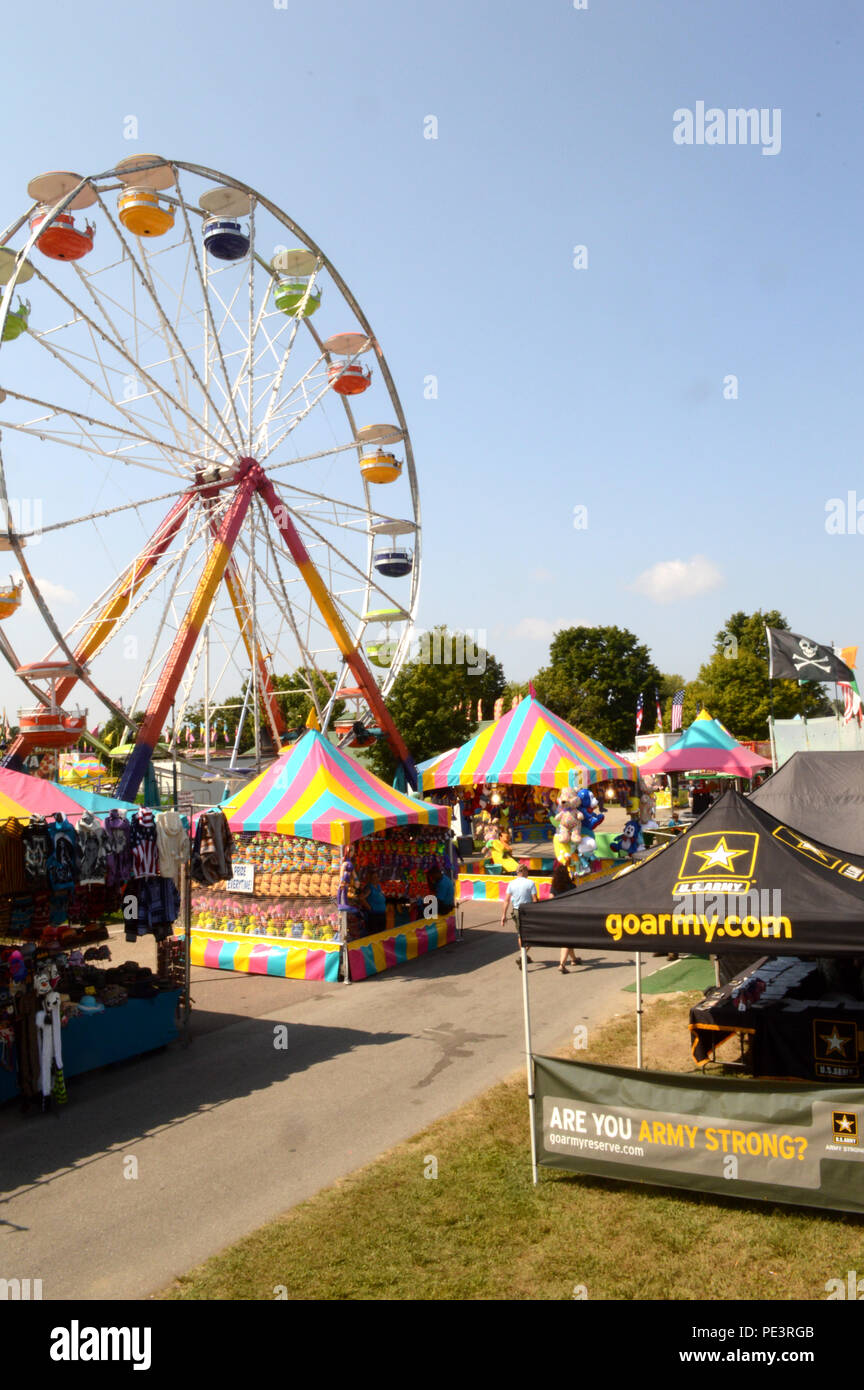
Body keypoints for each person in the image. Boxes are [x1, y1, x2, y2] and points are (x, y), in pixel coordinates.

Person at [502, 865, 538, 967]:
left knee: (520, 934)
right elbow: (535, 899)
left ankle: (524, 955)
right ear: (524, 871)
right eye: (528, 871)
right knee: (533, 935)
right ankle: (523, 956)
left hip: (516, 911)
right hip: (528, 911)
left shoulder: (511, 883)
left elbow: (506, 900)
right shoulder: (530, 883)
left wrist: (503, 915)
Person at [550, 860, 582, 972]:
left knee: (567, 939)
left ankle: (574, 959)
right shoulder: (571, 886)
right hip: (569, 915)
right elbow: (577, 900)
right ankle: (562, 964)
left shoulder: (554, 886)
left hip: (557, 915)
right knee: (567, 940)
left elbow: (550, 899)